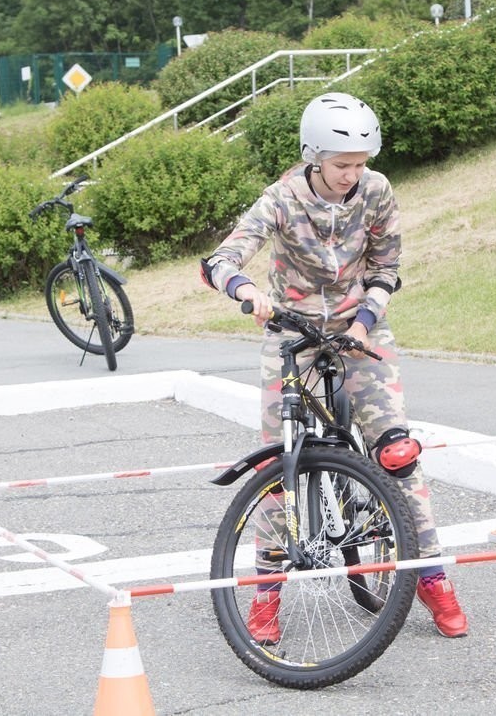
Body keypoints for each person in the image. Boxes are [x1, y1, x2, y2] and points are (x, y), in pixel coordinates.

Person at [199, 92, 468, 641]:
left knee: (397, 453)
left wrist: (364, 322)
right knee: (278, 467)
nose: (352, 175)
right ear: (313, 156)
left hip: (357, 329)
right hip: (291, 335)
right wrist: (247, 291)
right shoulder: (280, 199)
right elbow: (218, 262)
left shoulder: (377, 191)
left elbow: (388, 265)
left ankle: (432, 576)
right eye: (342, 165)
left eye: (360, 164)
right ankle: (267, 593)